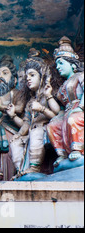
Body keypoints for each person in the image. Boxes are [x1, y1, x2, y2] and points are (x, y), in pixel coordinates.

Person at [46, 36, 84, 167]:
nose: (58, 67)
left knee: (73, 119)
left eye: (61, 63)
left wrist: (81, 107)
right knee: (52, 126)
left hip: (80, 108)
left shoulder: (81, 76)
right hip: (67, 110)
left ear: (73, 64)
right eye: (56, 64)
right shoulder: (63, 86)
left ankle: (77, 149)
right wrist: (48, 95)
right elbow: (59, 109)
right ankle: (62, 154)